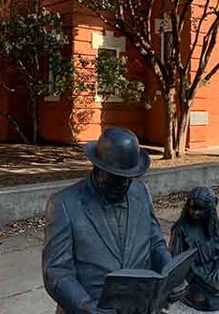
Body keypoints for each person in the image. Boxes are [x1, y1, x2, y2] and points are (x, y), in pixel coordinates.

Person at [42, 127, 178, 314]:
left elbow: (155, 243)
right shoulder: (63, 204)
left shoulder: (141, 192)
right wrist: (86, 308)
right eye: (116, 178)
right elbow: (56, 271)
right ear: (98, 168)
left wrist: (171, 274)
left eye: (129, 178)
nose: (124, 184)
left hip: (140, 307)